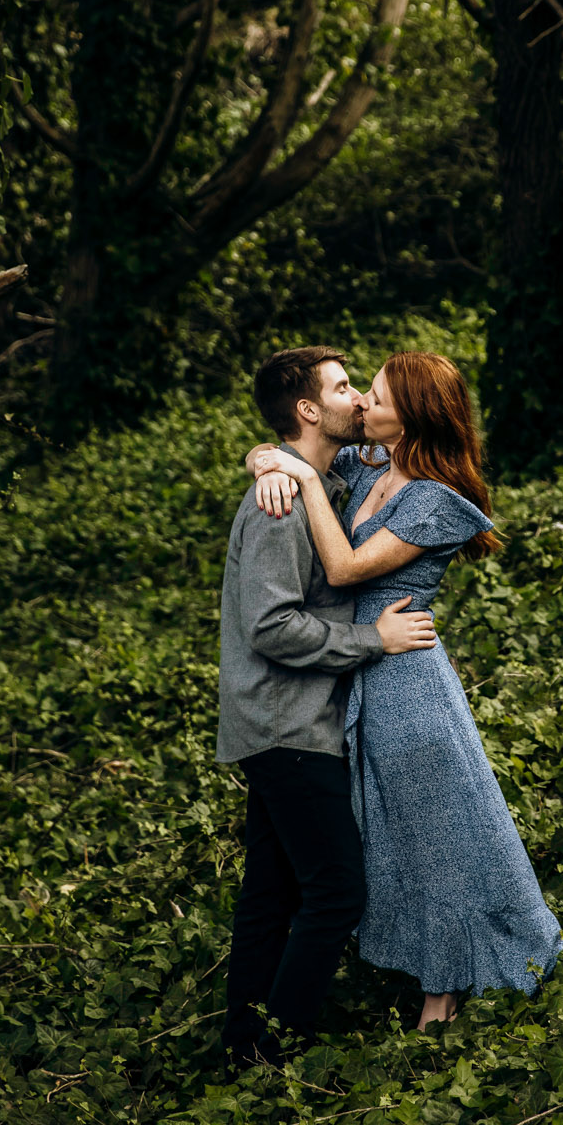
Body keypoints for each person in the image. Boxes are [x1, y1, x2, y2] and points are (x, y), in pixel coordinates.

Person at [247, 351, 562, 1030]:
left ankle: (442, 995)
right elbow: (301, 443)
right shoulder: (373, 469)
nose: (362, 402)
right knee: (385, 833)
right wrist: (266, 457)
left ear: (410, 416)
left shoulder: (438, 502)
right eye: (361, 391)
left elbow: (346, 564)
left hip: (406, 681)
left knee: (437, 833)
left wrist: (296, 471)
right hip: (358, 670)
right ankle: (418, 963)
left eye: (378, 397)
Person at [218, 346, 437, 1068]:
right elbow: (272, 625)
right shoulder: (279, 505)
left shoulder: (323, 475)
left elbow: (393, 450)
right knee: (336, 893)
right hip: (288, 725)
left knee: (270, 896)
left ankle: (241, 1047)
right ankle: (277, 1052)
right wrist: (369, 639)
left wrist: (266, 454)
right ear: (309, 409)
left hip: (284, 721)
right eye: (344, 387)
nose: (357, 399)